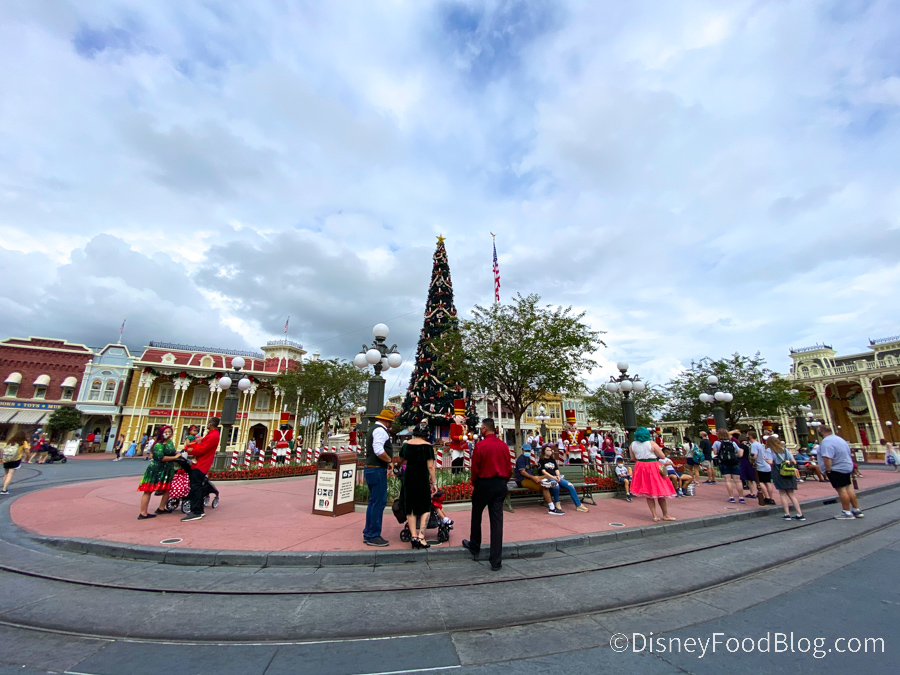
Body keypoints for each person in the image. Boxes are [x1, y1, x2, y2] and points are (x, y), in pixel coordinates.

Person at [463, 418, 511, 571]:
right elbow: (509, 468)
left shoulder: (480, 446)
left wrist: (474, 483)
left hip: (483, 484)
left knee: (476, 515)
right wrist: (503, 481)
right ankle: (496, 560)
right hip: (499, 484)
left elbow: (475, 468)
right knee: (497, 521)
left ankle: (475, 545)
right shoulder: (503, 446)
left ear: (484, 428)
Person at [398, 422, 436, 549]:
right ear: (425, 435)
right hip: (422, 476)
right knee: (425, 506)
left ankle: (413, 536)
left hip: (409, 476)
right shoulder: (428, 446)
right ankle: (421, 537)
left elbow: (400, 460)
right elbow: (430, 466)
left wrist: (397, 466)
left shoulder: (406, 445)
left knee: (411, 507)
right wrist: (434, 482)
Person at [629, 426, 676, 521]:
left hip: (640, 466)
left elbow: (632, 458)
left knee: (648, 492)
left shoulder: (632, 444)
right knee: (660, 490)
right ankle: (665, 514)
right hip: (652, 465)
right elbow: (662, 456)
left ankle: (655, 515)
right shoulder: (651, 443)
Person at [363, 409, 395, 546]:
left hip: (370, 468)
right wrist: (389, 460)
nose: (390, 425)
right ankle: (373, 535)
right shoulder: (381, 431)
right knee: (379, 502)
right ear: (386, 421)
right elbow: (378, 450)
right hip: (377, 469)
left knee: (373, 502)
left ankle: (368, 532)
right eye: (390, 422)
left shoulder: (373, 429)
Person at [818, 426, 864, 520]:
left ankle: (846, 512)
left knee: (842, 490)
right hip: (846, 466)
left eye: (818, 431)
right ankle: (856, 510)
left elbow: (827, 458)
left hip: (836, 468)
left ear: (822, 432)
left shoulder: (826, 442)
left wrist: (828, 470)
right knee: (849, 488)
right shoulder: (840, 439)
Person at [181, 417, 221, 522]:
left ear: (211, 424)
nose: (207, 424)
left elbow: (202, 449)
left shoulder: (213, 435)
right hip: (199, 463)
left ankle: (197, 511)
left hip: (202, 464)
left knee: (196, 487)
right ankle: (197, 509)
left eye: (208, 423)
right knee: (195, 486)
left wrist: (189, 450)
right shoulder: (211, 434)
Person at [136, 425, 180, 519]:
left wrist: (177, 455)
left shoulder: (170, 442)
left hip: (167, 469)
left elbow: (172, 452)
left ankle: (161, 508)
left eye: (170, 432)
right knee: (148, 490)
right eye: (166, 432)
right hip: (156, 469)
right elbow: (161, 458)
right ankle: (143, 513)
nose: (168, 433)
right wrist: (174, 457)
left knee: (167, 488)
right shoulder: (158, 444)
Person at [537, 444, 589, 513]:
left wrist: (558, 476)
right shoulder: (541, 460)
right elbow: (543, 471)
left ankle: (578, 505)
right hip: (548, 478)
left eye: (550, 450)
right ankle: (557, 502)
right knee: (556, 485)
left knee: (570, 485)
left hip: (556, 477)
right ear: (544, 451)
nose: (549, 451)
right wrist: (553, 477)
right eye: (547, 450)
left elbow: (556, 469)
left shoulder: (552, 460)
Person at [513, 444, 561, 515]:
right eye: (526, 451)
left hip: (531, 477)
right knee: (545, 486)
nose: (528, 452)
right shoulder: (521, 459)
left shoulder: (527, 458)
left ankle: (545, 482)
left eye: (529, 451)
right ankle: (552, 508)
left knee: (547, 476)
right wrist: (533, 478)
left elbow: (527, 467)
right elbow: (523, 472)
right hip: (523, 480)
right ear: (522, 450)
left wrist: (533, 465)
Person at [769, 435, 805, 521]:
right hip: (789, 472)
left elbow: (770, 461)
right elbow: (793, 461)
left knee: (783, 493)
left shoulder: (771, 451)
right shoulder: (785, 450)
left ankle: (787, 514)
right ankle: (799, 514)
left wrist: (765, 459)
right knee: (791, 494)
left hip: (779, 472)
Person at [713, 428, 744, 503]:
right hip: (734, 462)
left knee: (728, 480)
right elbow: (739, 453)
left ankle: (731, 497)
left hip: (723, 462)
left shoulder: (717, 443)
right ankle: (741, 497)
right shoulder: (733, 443)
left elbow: (715, 453)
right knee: (738, 481)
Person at [748, 429, 776, 504]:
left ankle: (767, 497)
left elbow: (754, 456)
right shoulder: (759, 444)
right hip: (766, 465)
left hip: (760, 466)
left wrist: (751, 459)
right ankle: (771, 498)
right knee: (768, 482)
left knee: (760, 482)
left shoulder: (754, 445)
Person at [737, 432, 757, 497]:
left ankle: (752, 492)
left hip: (745, 461)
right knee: (753, 477)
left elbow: (741, 454)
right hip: (751, 461)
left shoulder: (742, 445)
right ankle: (756, 491)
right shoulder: (750, 444)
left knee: (748, 478)